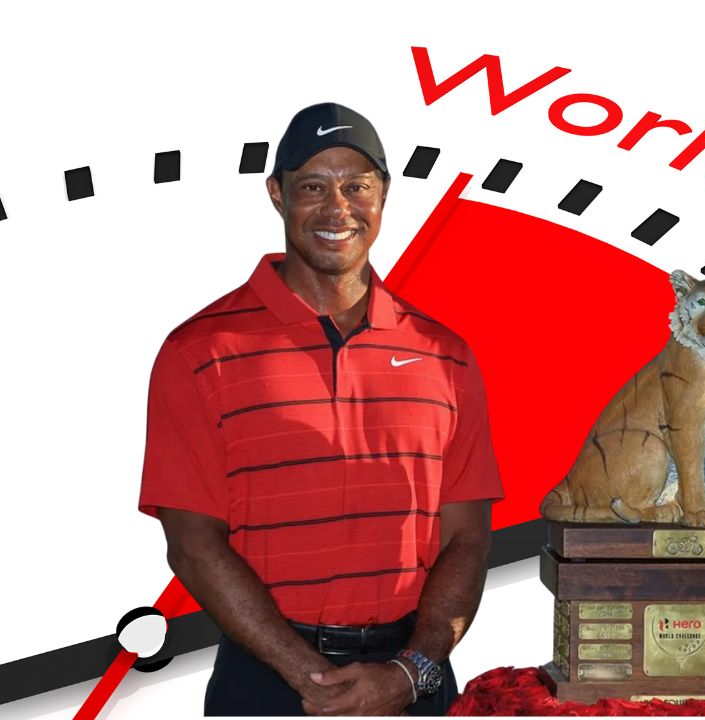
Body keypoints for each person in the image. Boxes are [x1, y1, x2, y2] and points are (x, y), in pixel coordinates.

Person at [138, 102, 503, 716]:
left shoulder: (446, 355)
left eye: (357, 186)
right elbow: (193, 543)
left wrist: (410, 672)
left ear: (382, 195)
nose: (338, 208)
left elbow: (466, 538)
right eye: (313, 186)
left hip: (414, 678)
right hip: (267, 681)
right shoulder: (198, 352)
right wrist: (309, 676)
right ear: (277, 195)